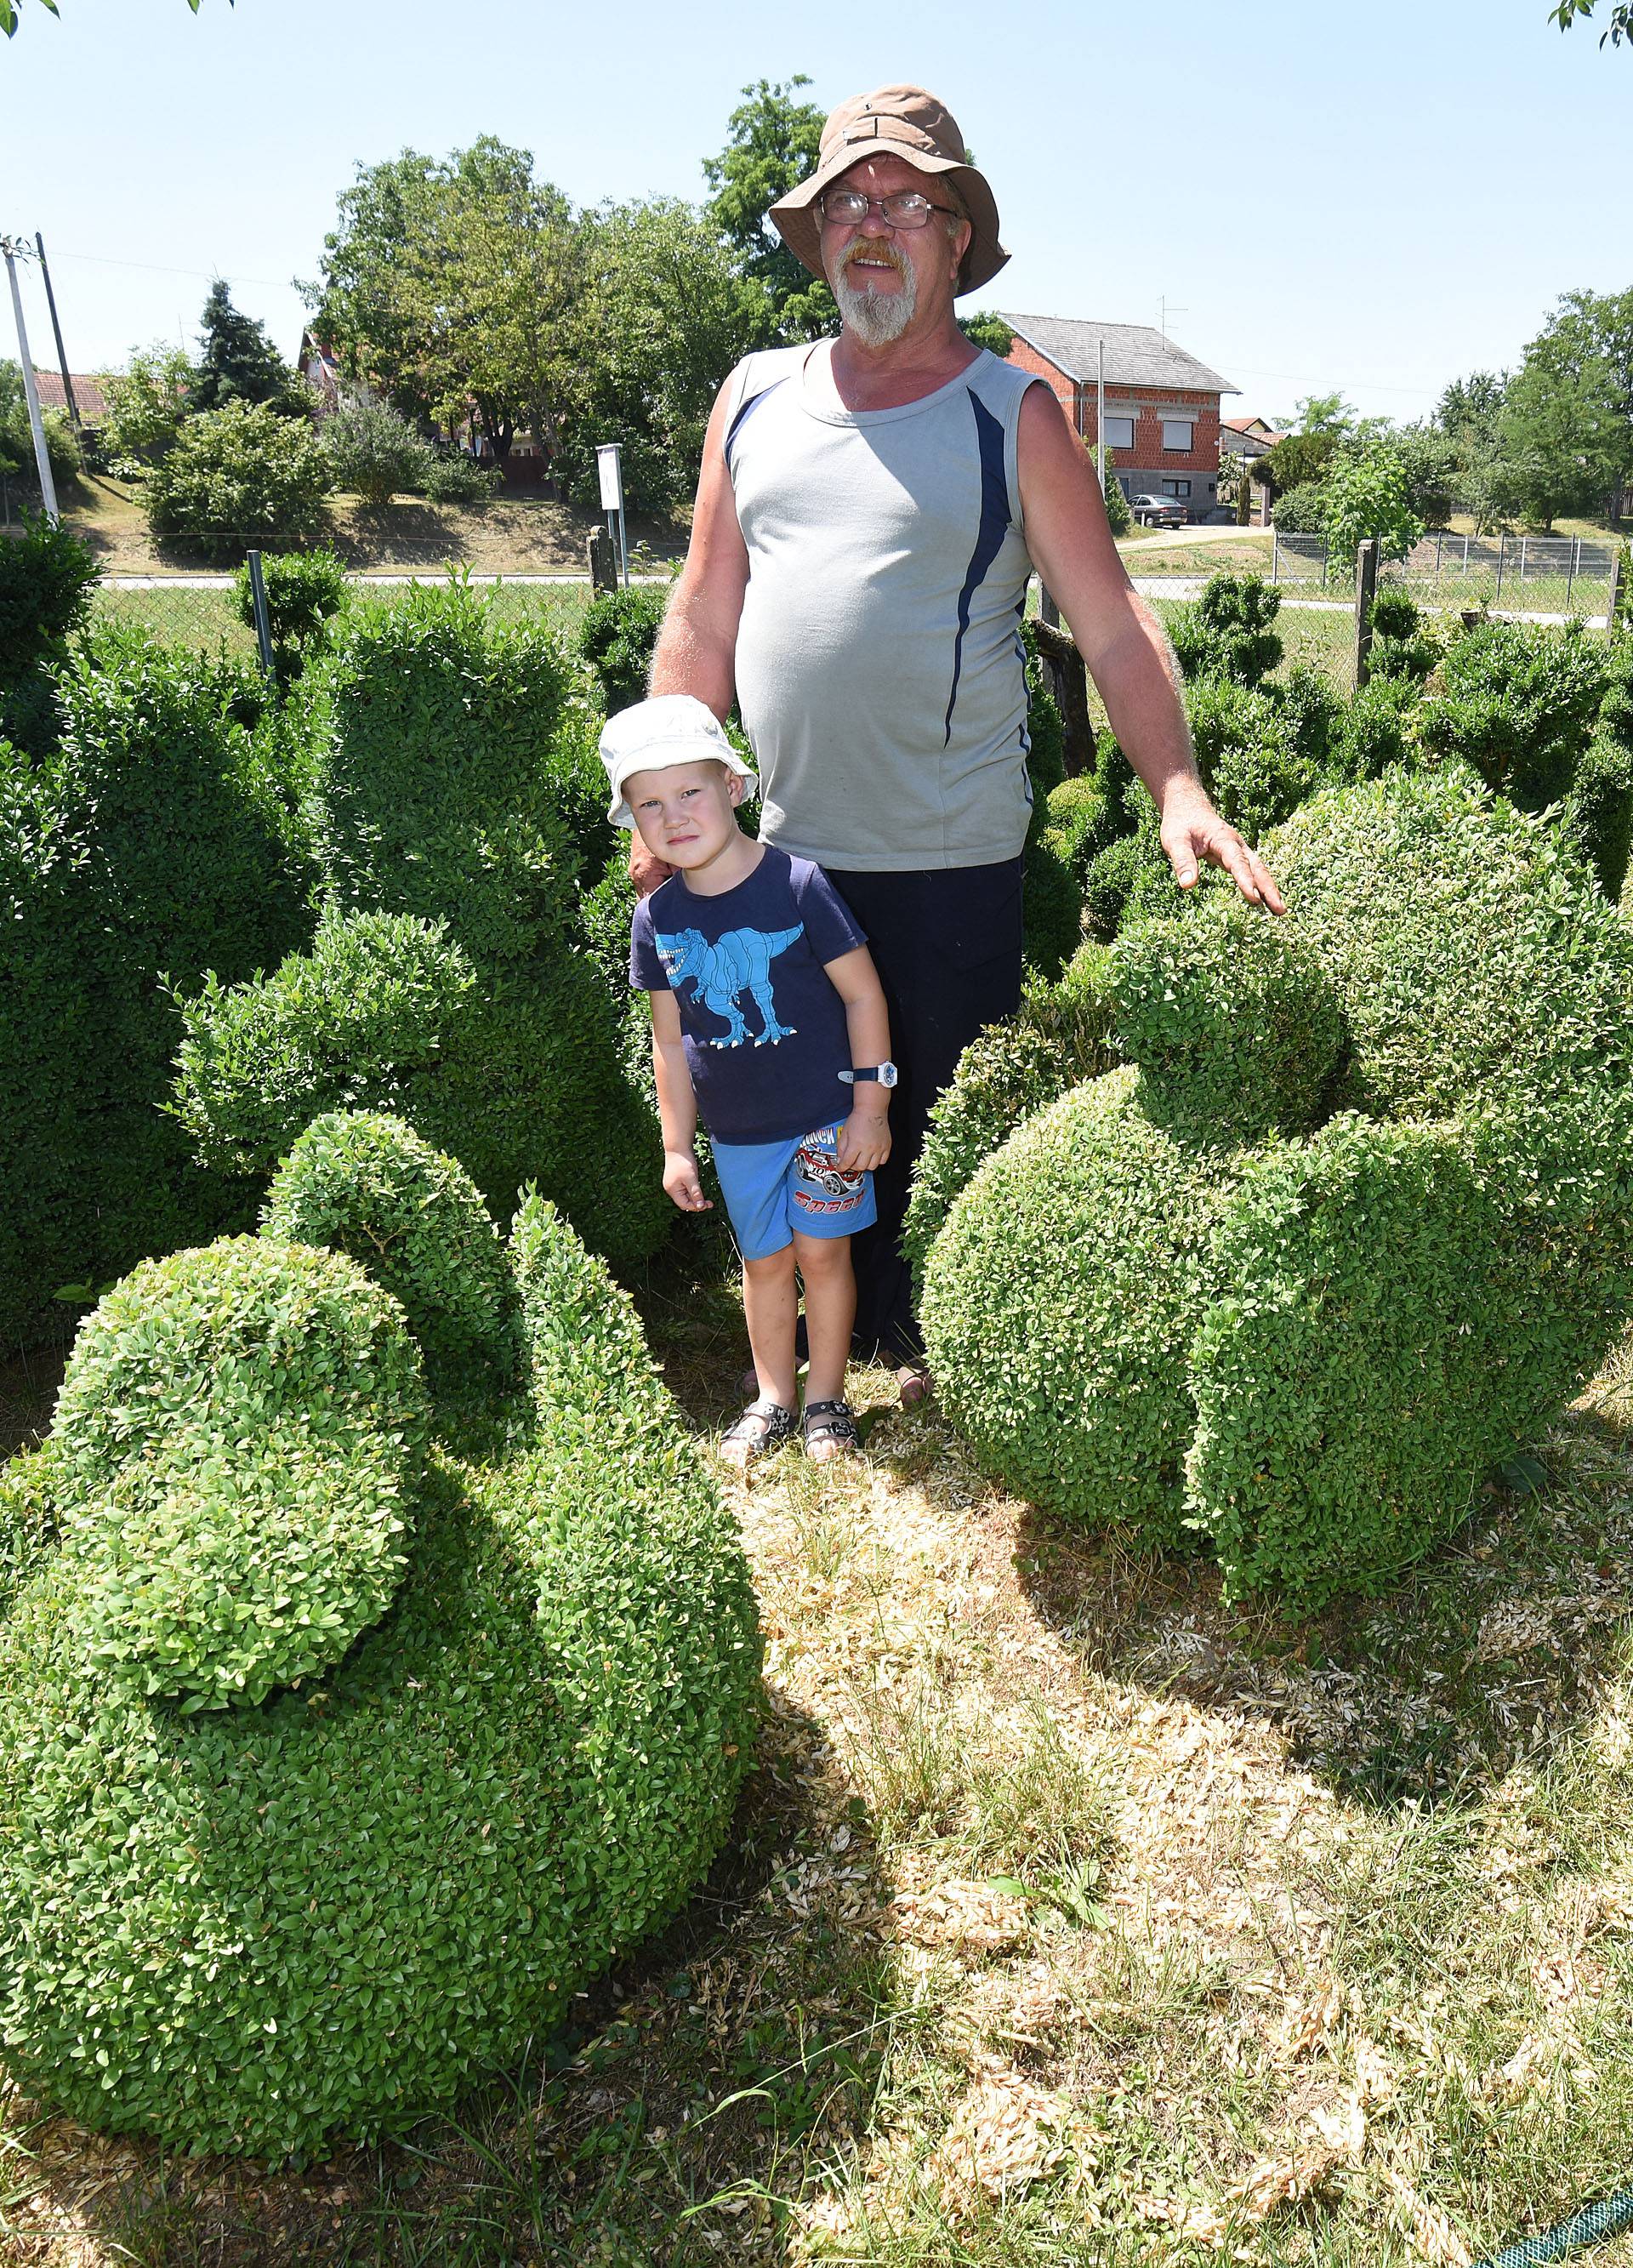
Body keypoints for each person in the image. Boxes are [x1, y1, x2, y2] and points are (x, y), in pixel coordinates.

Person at [640, 83, 1284, 1395]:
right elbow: (704, 607)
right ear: (817, 233)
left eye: (905, 205)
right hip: (785, 857)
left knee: (929, 1128)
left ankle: (943, 1342)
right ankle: (828, 1345)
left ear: (956, 240)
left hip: (950, 861)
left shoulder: (1013, 415)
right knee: (807, 1117)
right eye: (847, 204)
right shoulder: (752, 397)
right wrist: (657, 802)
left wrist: (1177, 786)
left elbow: (1109, 626)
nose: (872, 228)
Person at [604, 694, 895, 1467]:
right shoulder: (657, 920)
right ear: (632, 819)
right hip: (737, 1132)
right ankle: (774, 1397)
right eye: (649, 804)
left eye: (690, 791)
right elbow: (669, 1039)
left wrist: (872, 1105)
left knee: (824, 1256)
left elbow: (865, 994)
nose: (673, 817)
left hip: (829, 1121)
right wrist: (676, 1146)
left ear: (734, 787)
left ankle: (827, 1400)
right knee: (763, 1264)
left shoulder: (798, 886)